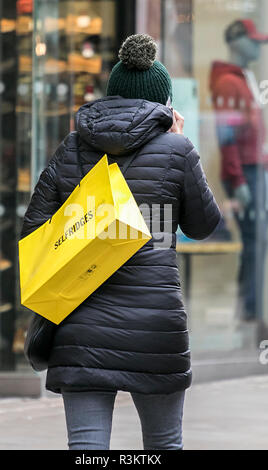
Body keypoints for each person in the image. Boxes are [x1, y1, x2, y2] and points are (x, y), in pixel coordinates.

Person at [21, 34, 221, 450]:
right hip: (156, 326)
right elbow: (203, 226)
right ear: (165, 103)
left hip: (79, 325)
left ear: (111, 96)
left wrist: (85, 231)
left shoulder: (72, 147)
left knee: (87, 448)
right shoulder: (176, 149)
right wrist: (185, 148)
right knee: (164, 444)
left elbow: (33, 233)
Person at [210, 20, 268, 340]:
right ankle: (249, 313)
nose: (258, 47)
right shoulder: (229, 83)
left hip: (254, 170)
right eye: (253, 41)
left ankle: (250, 312)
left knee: (257, 244)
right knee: (255, 242)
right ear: (236, 42)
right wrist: (239, 179)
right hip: (245, 172)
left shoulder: (242, 79)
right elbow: (227, 136)